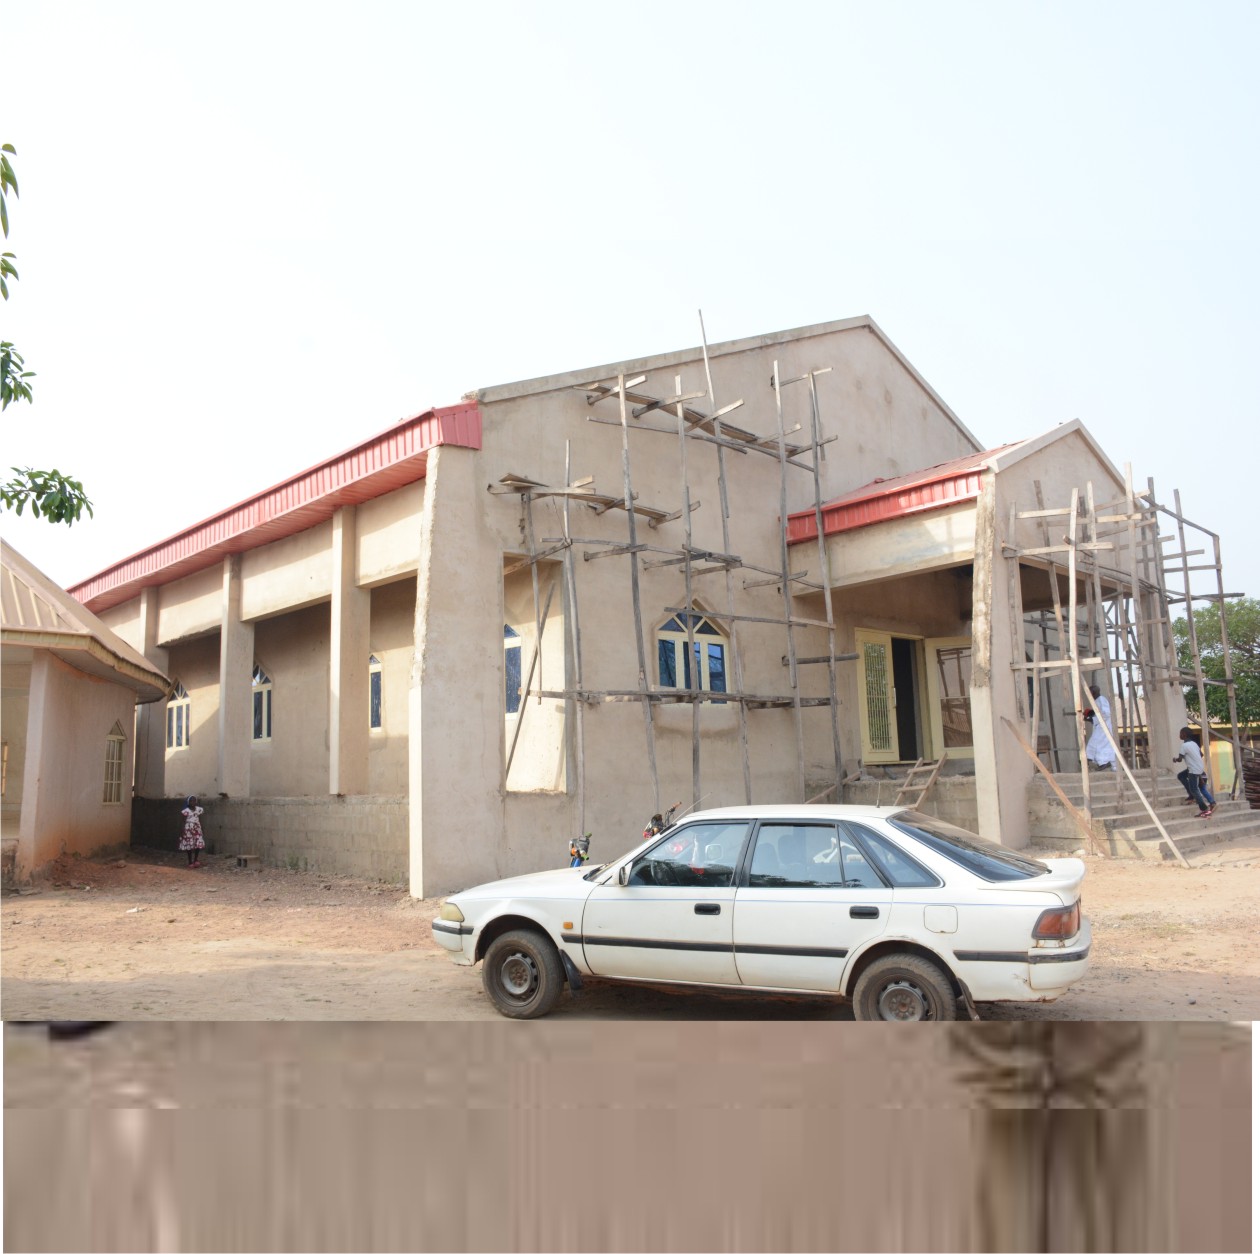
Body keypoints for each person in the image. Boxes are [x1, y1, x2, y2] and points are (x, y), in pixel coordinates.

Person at [1173, 729, 1215, 817]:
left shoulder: (1184, 745)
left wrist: (1175, 759)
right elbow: (1201, 755)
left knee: (1194, 789)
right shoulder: (1194, 743)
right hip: (1198, 768)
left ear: (1184, 735)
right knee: (1181, 776)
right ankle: (1191, 795)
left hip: (1193, 770)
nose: (1179, 735)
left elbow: (1180, 759)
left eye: (1180, 733)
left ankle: (1204, 809)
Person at [1083, 685, 1116, 771]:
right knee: (1099, 745)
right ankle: (1102, 762)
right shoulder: (1098, 701)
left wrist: (1092, 719)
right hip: (1101, 726)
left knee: (1095, 742)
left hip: (1104, 727)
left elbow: (1106, 714)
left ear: (1093, 693)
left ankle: (1097, 761)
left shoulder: (1101, 699)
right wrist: (1090, 714)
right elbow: (1099, 712)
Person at [180, 795, 206, 867]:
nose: (193, 802)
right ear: (188, 802)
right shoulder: (186, 811)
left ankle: (196, 860)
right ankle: (190, 861)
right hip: (188, 829)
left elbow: (200, 819)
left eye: (194, 800)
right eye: (191, 801)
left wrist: (202, 828)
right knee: (189, 845)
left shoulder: (199, 809)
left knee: (198, 844)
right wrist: (182, 831)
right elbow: (183, 821)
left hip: (197, 828)